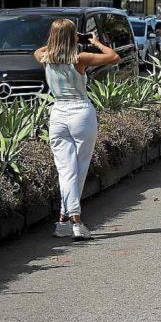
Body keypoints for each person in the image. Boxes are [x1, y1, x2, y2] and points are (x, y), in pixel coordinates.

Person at [34, 20, 120, 240]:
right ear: (73, 36)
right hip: (81, 113)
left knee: (66, 171)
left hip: (58, 114)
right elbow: (114, 57)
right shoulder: (80, 58)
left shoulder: (44, 56)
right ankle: (76, 220)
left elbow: (42, 50)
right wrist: (95, 42)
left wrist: (59, 41)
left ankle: (63, 222)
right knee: (79, 169)